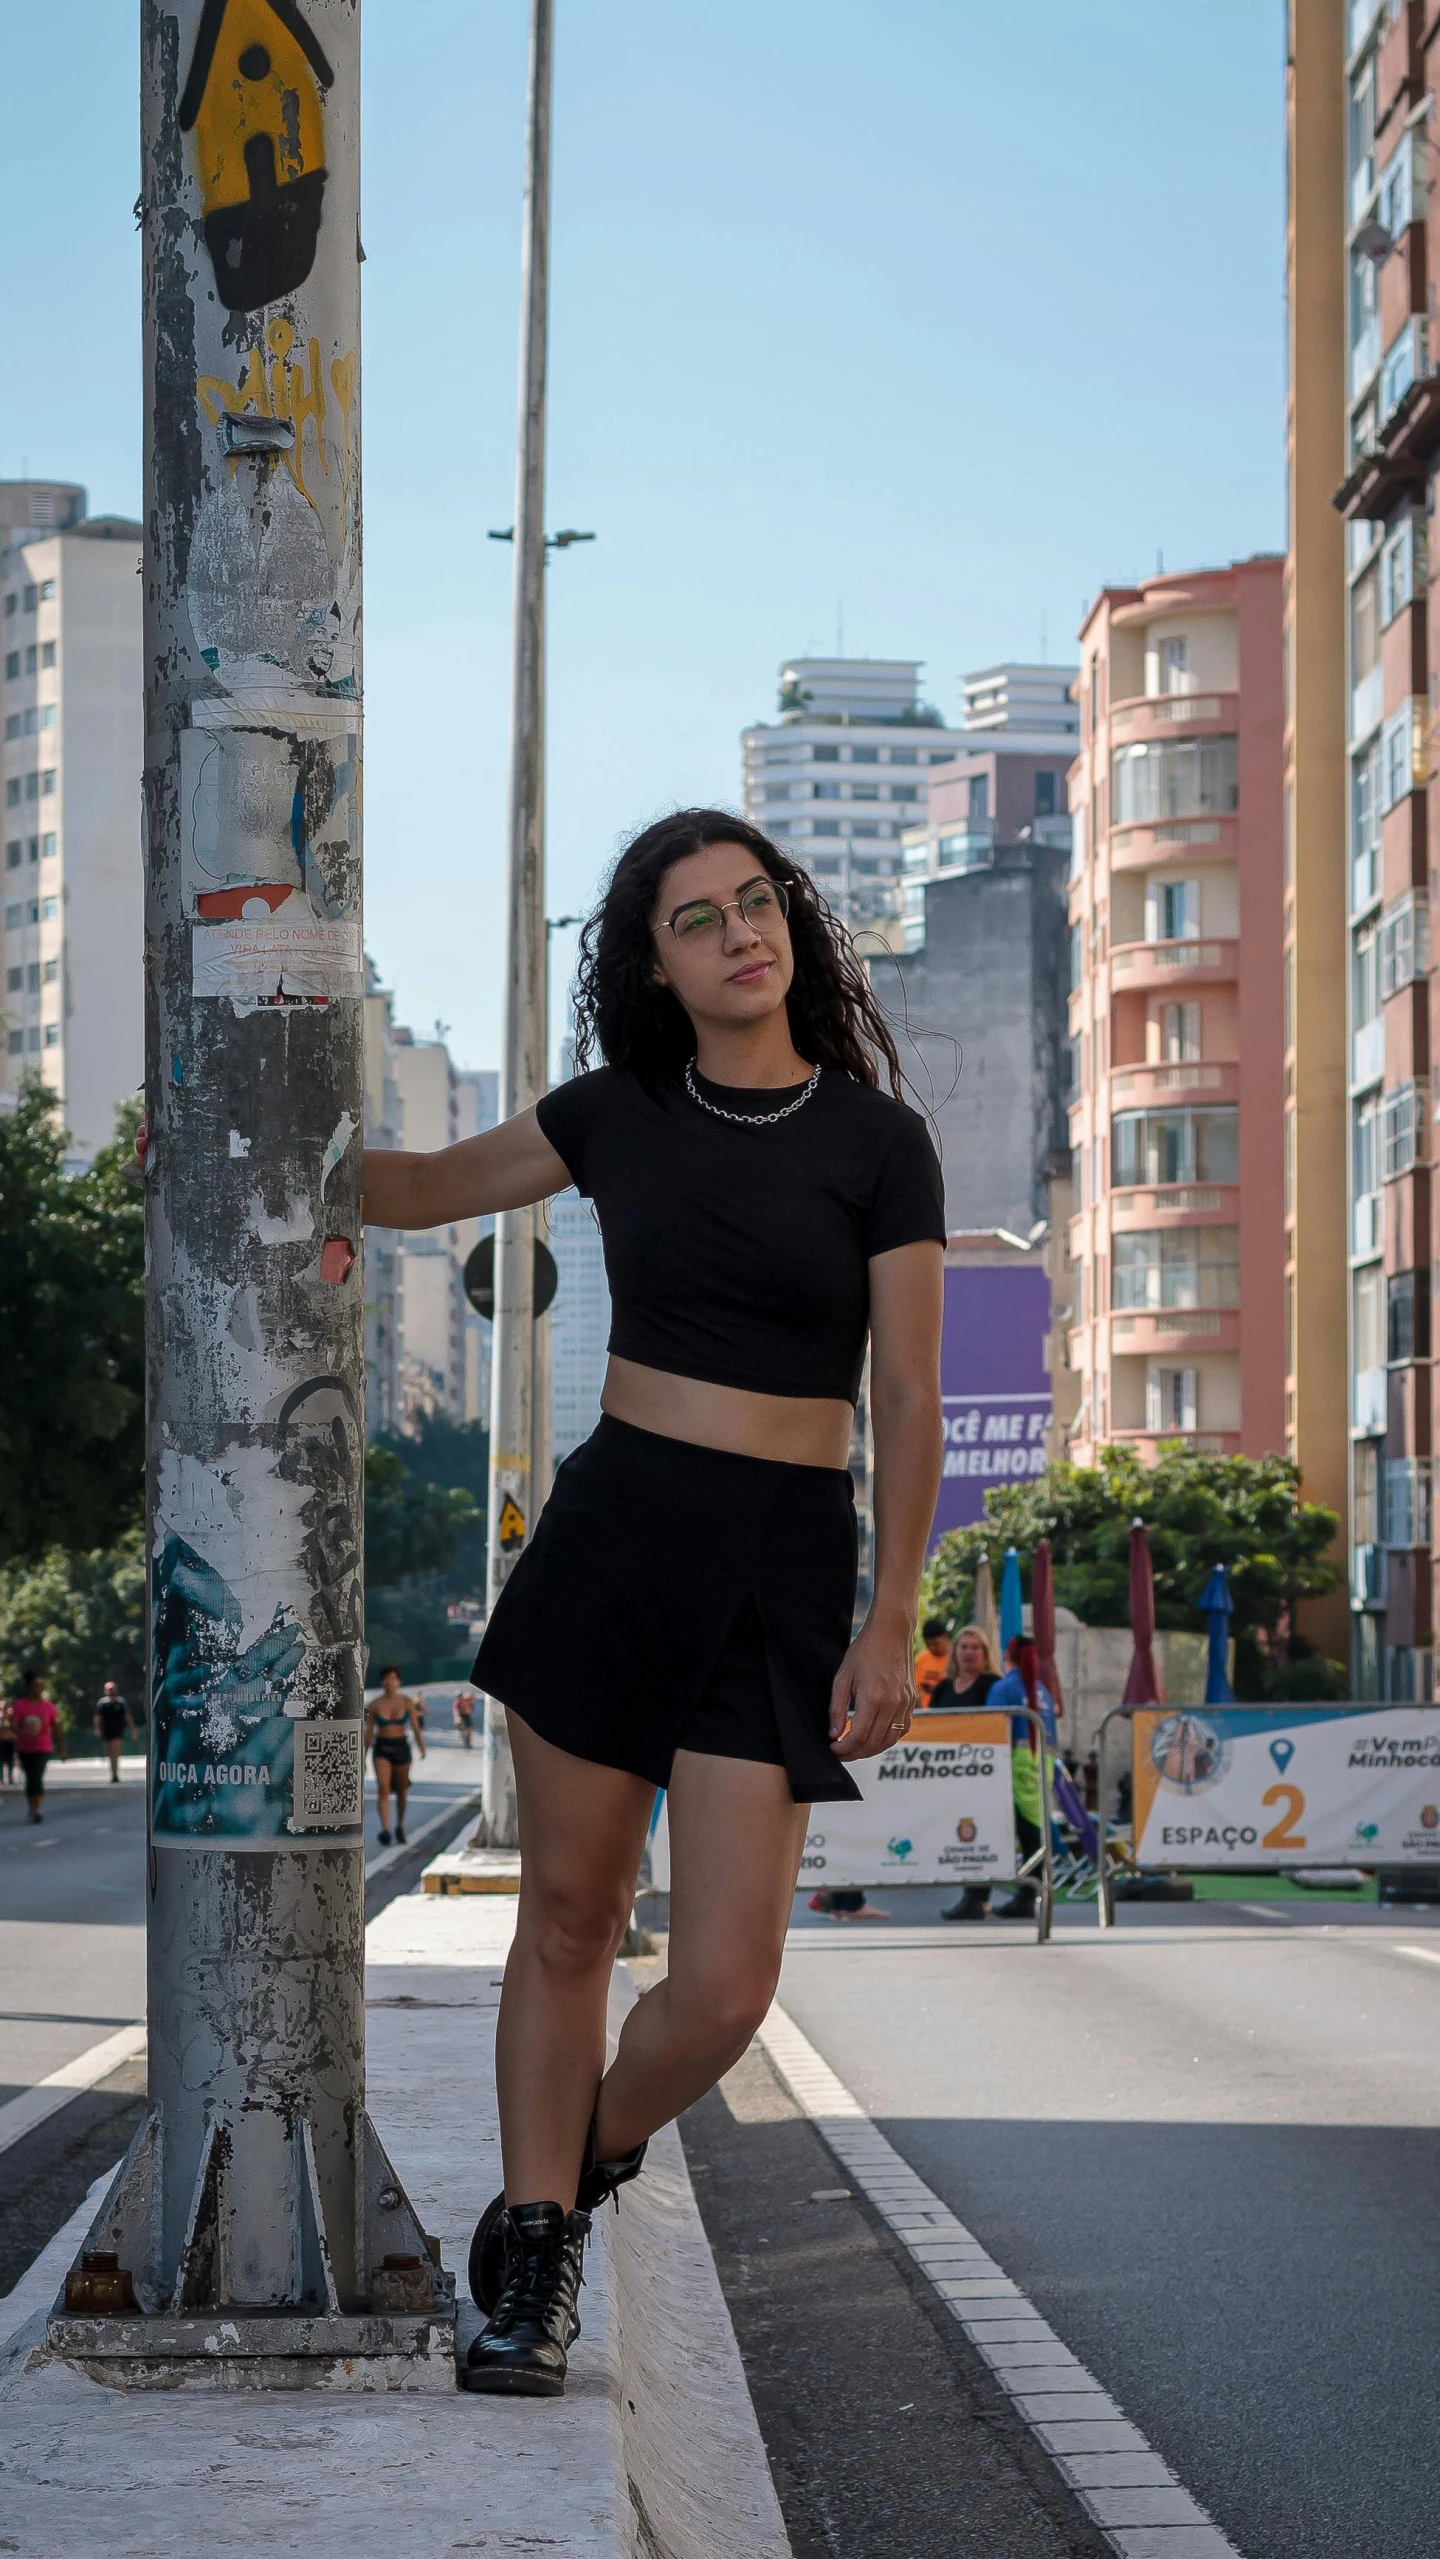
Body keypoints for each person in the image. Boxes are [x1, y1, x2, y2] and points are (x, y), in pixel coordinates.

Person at [363, 808, 945, 2397]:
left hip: (782, 1562)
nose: (742, 932)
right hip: (617, 1535)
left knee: (723, 1983)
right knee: (568, 1917)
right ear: (657, 962)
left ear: (793, 927)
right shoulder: (613, 1112)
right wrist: (217, 1140)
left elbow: (908, 1392)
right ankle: (536, 2264)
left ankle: (568, 2169)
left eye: (759, 903)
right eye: (701, 917)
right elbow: (411, 1185)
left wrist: (893, 1613)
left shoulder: (877, 1142)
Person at [988, 1635, 1057, 1922]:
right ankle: (1032, 1893)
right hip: (1042, 1763)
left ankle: (1027, 1894)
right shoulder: (1043, 1691)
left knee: (1021, 1833)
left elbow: (989, 1728)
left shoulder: (1003, 1688)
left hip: (1013, 1765)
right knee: (1033, 1832)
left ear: (1008, 1655)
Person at [364, 1666, 426, 1844]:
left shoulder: (406, 1702)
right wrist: (363, 1755)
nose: (390, 1682)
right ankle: (385, 1829)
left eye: (394, 1678)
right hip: (382, 1748)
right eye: (387, 1678)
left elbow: (415, 1727)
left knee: (401, 1790)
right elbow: (369, 1732)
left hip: (401, 1747)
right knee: (382, 1789)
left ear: (398, 1681)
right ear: (382, 1681)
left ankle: (399, 1825)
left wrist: (421, 1747)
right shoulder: (375, 1705)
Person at [10, 1670, 66, 1824]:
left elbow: (55, 1727)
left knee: (37, 1777)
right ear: (29, 1687)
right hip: (24, 1747)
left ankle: (37, 1809)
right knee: (30, 1778)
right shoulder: (20, 1705)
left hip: (43, 1747)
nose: (39, 1688)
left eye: (41, 1685)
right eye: (36, 1685)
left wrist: (61, 1748)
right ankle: (31, 1806)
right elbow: (13, 1725)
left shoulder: (47, 1705)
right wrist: (23, 1732)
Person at [93, 1682, 136, 1782]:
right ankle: (113, 1773)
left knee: (116, 1753)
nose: (111, 1691)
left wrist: (133, 1729)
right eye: (109, 1689)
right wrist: (97, 1729)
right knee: (110, 1754)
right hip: (106, 1731)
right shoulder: (102, 1703)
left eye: (113, 1689)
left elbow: (128, 1717)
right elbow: (97, 1718)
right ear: (106, 1691)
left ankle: (115, 1774)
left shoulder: (121, 1703)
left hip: (118, 1731)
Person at [914, 1616, 951, 1708]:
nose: (932, 1648)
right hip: (927, 1713)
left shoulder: (955, 1659)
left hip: (948, 1712)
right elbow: (918, 1688)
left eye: (935, 1643)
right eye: (928, 1644)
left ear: (945, 1637)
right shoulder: (922, 1658)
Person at [0, 1694, 15, 1788]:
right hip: (1, 1741)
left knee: (10, 1761)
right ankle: (1, 1779)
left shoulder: (11, 1716)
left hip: (10, 1740)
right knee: (0, 1761)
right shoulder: (0, 1717)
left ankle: (10, 1778)